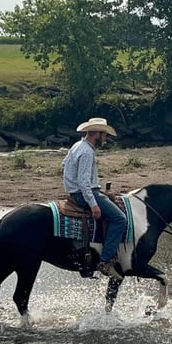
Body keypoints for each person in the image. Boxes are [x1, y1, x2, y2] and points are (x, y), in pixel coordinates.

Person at [62, 117, 127, 280]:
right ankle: (105, 261)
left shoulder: (78, 145)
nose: (105, 138)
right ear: (96, 134)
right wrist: (93, 204)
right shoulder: (87, 151)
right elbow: (84, 182)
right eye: (104, 135)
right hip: (84, 193)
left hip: (76, 191)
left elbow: (64, 165)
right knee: (120, 219)